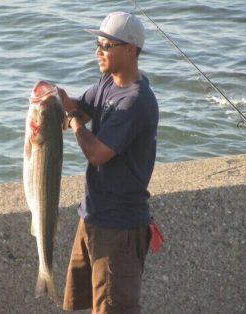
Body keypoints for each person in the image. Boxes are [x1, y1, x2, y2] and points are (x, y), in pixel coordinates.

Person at [58, 11, 159, 314]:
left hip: (120, 229)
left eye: (106, 45)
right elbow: (81, 108)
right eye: (98, 44)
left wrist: (74, 122)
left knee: (113, 309)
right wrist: (57, 100)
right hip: (92, 217)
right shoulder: (106, 83)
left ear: (130, 50)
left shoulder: (136, 100)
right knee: (79, 306)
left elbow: (98, 152)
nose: (98, 51)